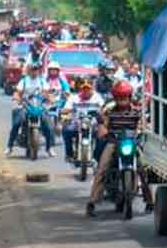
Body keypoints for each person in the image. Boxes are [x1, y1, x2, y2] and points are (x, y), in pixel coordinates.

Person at [85, 80, 143, 217]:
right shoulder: (109, 111)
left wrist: (141, 130)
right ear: (115, 98)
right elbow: (103, 124)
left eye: (125, 97)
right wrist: (103, 130)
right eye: (119, 98)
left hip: (131, 143)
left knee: (143, 168)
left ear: (129, 97)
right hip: (113, 142)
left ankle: (150, 201)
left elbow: (142, 125)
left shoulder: (136, 111)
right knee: (102, 169)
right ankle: (92, 203)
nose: (122, 101)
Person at [5, 63, 56, 157]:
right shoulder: (24, 81)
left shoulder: (42, 81)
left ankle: (49, 148)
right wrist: (17, 98)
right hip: (25, 106)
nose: (34, 71)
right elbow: (17, 92)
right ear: (29, 70)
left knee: (49, 126)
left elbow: (48, 93)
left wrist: (51, 100)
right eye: (32, 69)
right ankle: (9, 146)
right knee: (16, 123)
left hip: (39, 106)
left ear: (39, 71)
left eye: (36, 69)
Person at [61, 80, 105, 161]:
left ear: (92, 89)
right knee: (66, 130)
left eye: (88, 89)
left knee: (102, 137)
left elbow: (104, 108)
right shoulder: (74, 98)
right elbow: (65, 109)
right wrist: (68, 111)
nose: (86, 91)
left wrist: (102, 112)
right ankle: (69, 154)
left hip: (93, 124)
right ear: (80, 89)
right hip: (77, 124)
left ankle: (96, 156)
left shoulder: (97, 97)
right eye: (84, 89)